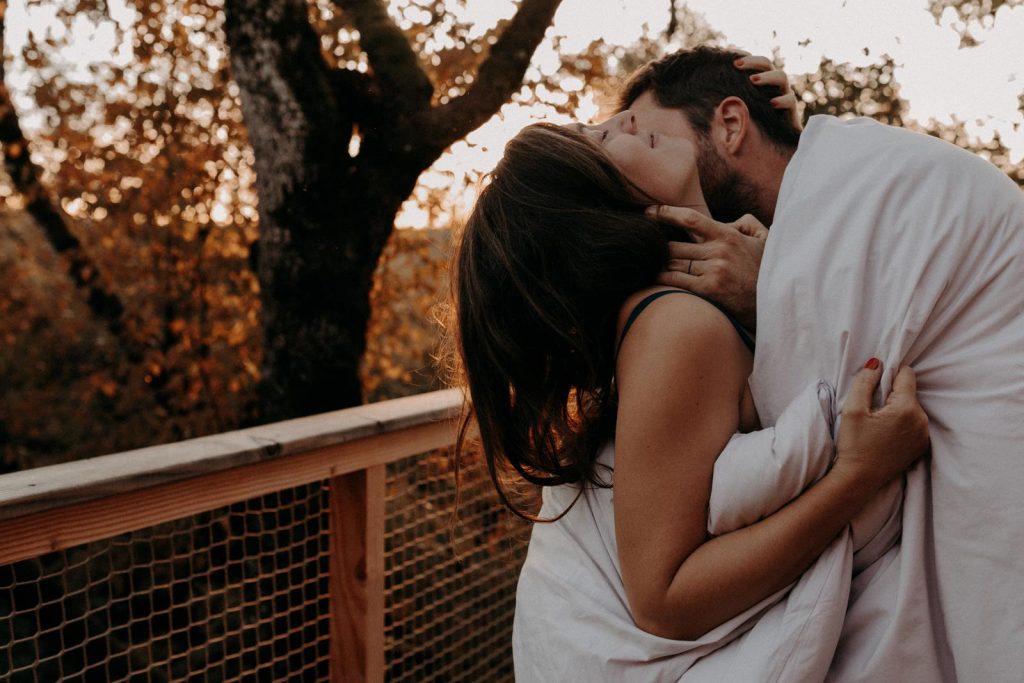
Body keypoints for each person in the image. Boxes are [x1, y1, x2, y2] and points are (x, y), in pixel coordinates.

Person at [450, 66, 931, 679]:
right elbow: (665, 599)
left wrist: (777, 126)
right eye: (599, 139)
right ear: (591, 206)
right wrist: (859, 476)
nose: (623, 118)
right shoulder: (678, 327)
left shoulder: (719, 294)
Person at [624, 46, 1024, 681]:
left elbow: (819, 438)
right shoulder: (834, 191)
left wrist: (768, 301)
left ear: (730, 125)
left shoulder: (863, 188)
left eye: (647, 136)